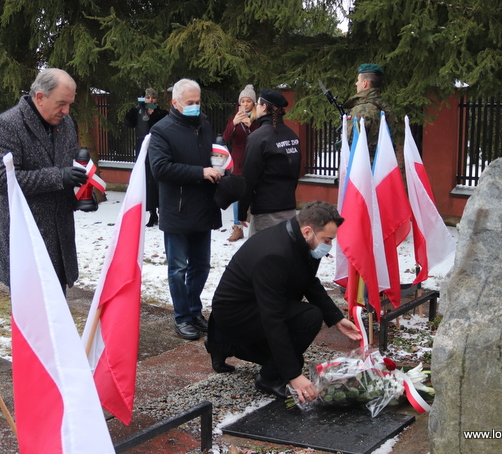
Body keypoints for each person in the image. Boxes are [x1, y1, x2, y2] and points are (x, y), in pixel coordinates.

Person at [208, 201, 361, 400]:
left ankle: (223, 345)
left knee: (291, 356)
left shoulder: (301, 239)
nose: (329, 246)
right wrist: (293, 375)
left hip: (258, 305)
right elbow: (273, 318)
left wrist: (336, 319)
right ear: (308, 231)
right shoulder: (274, 254)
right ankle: (267, 378)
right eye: (327, 239)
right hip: (236, 313)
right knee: (309, 319)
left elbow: (309, 281)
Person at [0, 68, 88, 293]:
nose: (67, 110)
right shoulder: (6, 126)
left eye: (70, 103)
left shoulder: (65, 123)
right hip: (26, 239)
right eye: (61, 103)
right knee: (32, 323)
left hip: (59, 238)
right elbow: (2, 181)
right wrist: (58, 176)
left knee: (57, 315)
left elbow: (69, 167)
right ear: (40, 97)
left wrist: (79, 196)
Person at [148, 78, 223, 341]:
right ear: (175, 103)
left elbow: (210, 159)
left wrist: (220, 167)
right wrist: (200, 172)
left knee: (201, 266)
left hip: (203, 207)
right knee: (178, 268)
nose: (195, 106)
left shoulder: (204, 125)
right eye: (189, 103)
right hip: (177, 210)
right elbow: (160, 169)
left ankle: (194, 311)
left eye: (198, 101)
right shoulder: (161, 130)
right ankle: (182, 317)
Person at [237, 88, 301, 237]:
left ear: (264, 107)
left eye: (258, 104)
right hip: (289, 208)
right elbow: (295, 172)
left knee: (262, 256)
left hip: (266, 211)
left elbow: (248, 176)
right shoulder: (292, 135)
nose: (256, 107)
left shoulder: (258, 137)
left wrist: (242, 211)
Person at [124, 88, 168, 227]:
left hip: (158, 151)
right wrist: (138, 108)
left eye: (153, 98)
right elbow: (128, 123)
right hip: (143, 151)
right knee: (146, 182)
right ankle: (152, 213)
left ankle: (163, 211)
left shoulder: (162, 114)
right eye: (148, 98)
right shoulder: (139, 112)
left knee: (158, 181)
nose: (150, 100)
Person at [221, 84, 259, 242]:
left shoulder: (258, 119)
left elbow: (260, 138)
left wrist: (251, 126)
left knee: (255, 192)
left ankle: (256, 225)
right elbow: (226, 138)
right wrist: (234, 123)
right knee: (238, 193)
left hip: (254, 159)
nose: (244, 104)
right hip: (238, 160)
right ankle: (237, 227)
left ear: (253, 103)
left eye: (248, 101)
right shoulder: (234, 117)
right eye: (242, 101)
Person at [343, 63, 397, 162]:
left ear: (365, 83)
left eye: (358, 80)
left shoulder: (360, 109)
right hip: (383, 166)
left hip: (362, 167)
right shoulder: (386, 107)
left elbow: (350, 143)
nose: (356, 83)